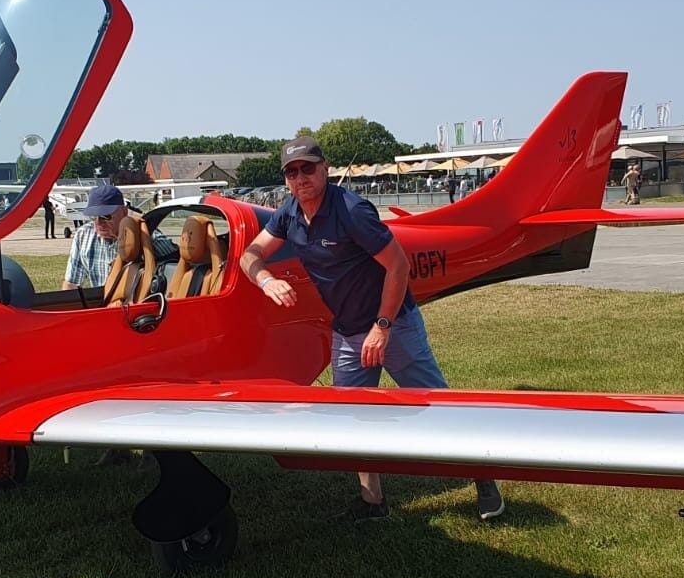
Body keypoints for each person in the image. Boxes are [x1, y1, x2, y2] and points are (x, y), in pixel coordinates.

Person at [240, 136, 505, 522]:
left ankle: (484, 478)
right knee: (353, 415)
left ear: (324, 168)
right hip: (347, 331)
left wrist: (382, 327)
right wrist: (266, 280)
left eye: (307, 168)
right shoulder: (289, 213)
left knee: (438, 405)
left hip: (394, 325)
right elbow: (250, 253)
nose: (300, 178)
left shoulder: (351, 210)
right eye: (292, 172)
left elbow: (398, 266)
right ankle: (372, 501)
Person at [61, 184, 178, 293]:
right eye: (93, 217)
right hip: (102, 303)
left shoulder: (146, 236)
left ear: (124, 212)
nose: (98, 223)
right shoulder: (83, 235)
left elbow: (181, 260)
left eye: (105, 216)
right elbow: (71, 283)